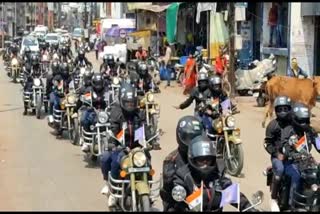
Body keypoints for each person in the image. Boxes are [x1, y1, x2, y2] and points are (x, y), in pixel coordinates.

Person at [100, 82, 157, 207]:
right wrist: (112, 142)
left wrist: (152, 140)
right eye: (128, 103)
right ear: (122, 101)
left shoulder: (139, 114)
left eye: (132, 103)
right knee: (112, 160)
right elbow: (113, 129)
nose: (130, 106)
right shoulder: (117, 113)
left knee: (147, 161)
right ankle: (113, 192)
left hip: (136, 149)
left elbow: (144, 128)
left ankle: (147, 189)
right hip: (121, 148)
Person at [171, 135, 257, 212]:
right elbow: (176, 202)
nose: (205, 163)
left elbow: (232, 192)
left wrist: (248, 207)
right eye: (201, 160)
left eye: (208, 159)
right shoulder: (183, 175)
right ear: (193, 159)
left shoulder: (218, 172)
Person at [279, 102, 320, 210]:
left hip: (307, 162)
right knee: (296, 177)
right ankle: (292, 205)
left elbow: (319, 144)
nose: (304, 123)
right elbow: (284, 148)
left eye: (306, 120)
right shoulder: (288, 131)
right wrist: (293, 154)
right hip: (291, 162)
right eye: (302, 121)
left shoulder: (310, 131)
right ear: (294, 119)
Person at [160, 115, 204, 211]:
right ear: (180, 136)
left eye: (196, 138)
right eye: (189, 138)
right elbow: (167, 192)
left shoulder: (205, 155)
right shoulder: (171, 160)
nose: (192, 142)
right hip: (180, 202)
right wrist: (170, 183)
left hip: (203, 200)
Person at [263, 96, 293, 211]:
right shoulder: (272, 125)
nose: (283, 112)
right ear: (275, 110)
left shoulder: (294, 123)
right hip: (279, 157)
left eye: (285, 109)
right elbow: (267, 143)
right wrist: (276, 154)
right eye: (280, 109)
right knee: (279, 170)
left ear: (290, 109)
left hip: (293, 155)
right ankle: (274, 198)